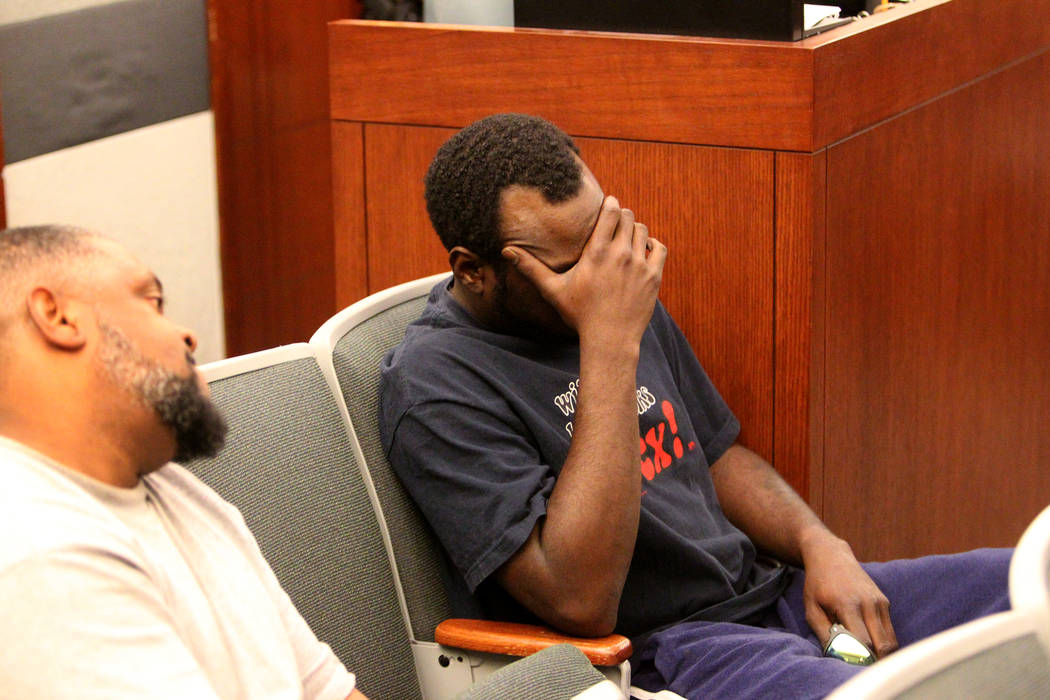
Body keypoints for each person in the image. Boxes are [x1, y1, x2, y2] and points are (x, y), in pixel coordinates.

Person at [378, 114, 1011, 699]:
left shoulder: (609, 289)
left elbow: (714, 454)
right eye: (577, 265)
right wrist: (608, 342)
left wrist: (820, 545)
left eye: (605, 234)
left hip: (773, 596)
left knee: (1028, 590)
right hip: (665, 651)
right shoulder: (435, 387)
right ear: (472, 270)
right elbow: (580, 601)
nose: (610, 268)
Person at [0, 225, 367, 699]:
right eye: (152, 302)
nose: (186, 335)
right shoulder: (37, 553)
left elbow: (322, 692)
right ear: (60, 317)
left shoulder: (173, 487)